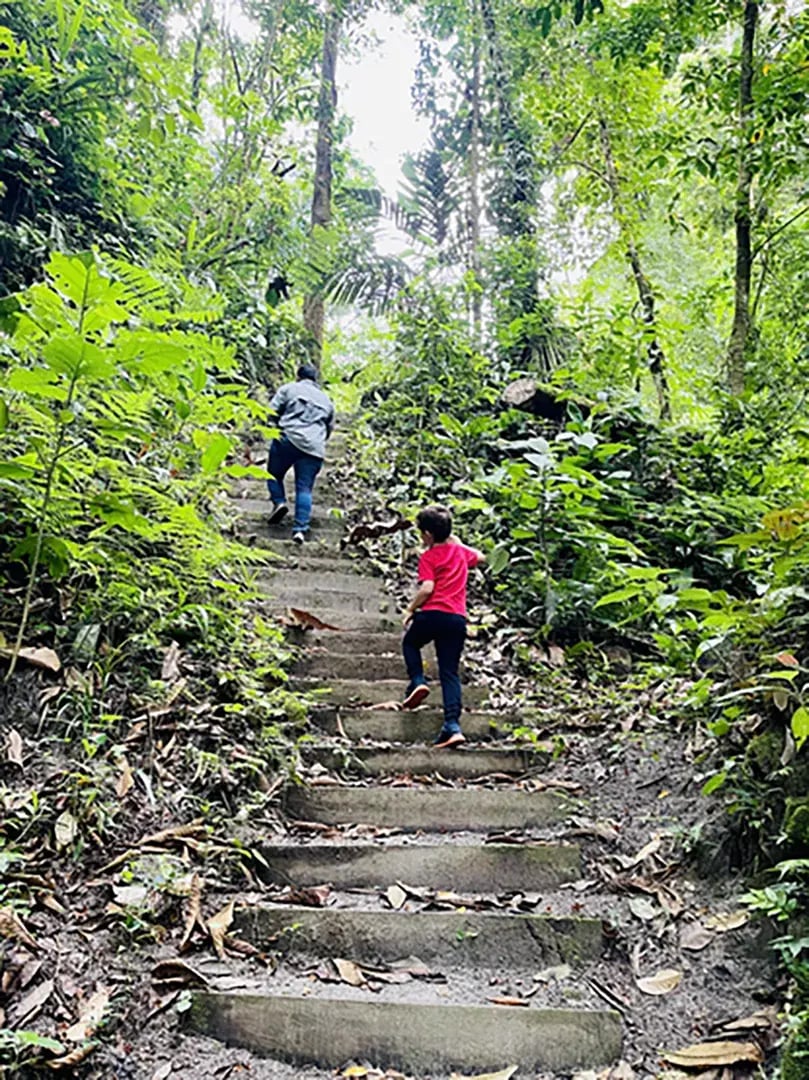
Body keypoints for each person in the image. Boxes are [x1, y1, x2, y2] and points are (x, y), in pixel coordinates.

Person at [401, 505, 485, 749]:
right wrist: (457, 542)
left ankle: (418, 680)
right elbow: (480, 557)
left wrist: (409, 610)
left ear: (427, 534)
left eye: (420, 532)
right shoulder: (460, 553)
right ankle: (452, 725)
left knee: (410, 642)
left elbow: (427, 588)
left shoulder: (428, 557)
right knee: (449, 672)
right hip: (456, 619)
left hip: (432, 615)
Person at [267, 363, 335, 543]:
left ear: (298, 376)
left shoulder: (289, 389)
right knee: (304, 488)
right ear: (315, 379)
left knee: (273, 474)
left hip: (288, 439)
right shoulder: (326, 400)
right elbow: (329, 429)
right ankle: (299, 530)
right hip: (314, 448)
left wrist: (274, 427)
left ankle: (279, 502)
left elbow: (271, 412)